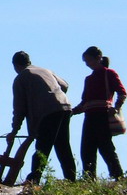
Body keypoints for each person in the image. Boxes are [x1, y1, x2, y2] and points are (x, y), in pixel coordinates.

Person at [7, 51, 76, 183]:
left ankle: (34, 179)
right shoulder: (45, 70)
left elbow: (19, 109)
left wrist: (14, 131)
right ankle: (71, 179)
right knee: (63, 145)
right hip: (65, 107)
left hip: (48, 112)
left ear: (15, 65)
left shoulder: (21, 78)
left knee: (43, 146)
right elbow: (64, 85)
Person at [72, 46, 127, 180]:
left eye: (89, 60)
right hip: (89, 117)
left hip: (103, 116)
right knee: (87, 150)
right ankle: (89, 180)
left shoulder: (109, 73)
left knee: (106, 148)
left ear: (98, 58)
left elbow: (122, 93)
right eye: (85, 61)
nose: (87, 64)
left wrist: (117, 107)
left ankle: (118, 177)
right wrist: (72, 112)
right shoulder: (88, 79)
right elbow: (84, 102)